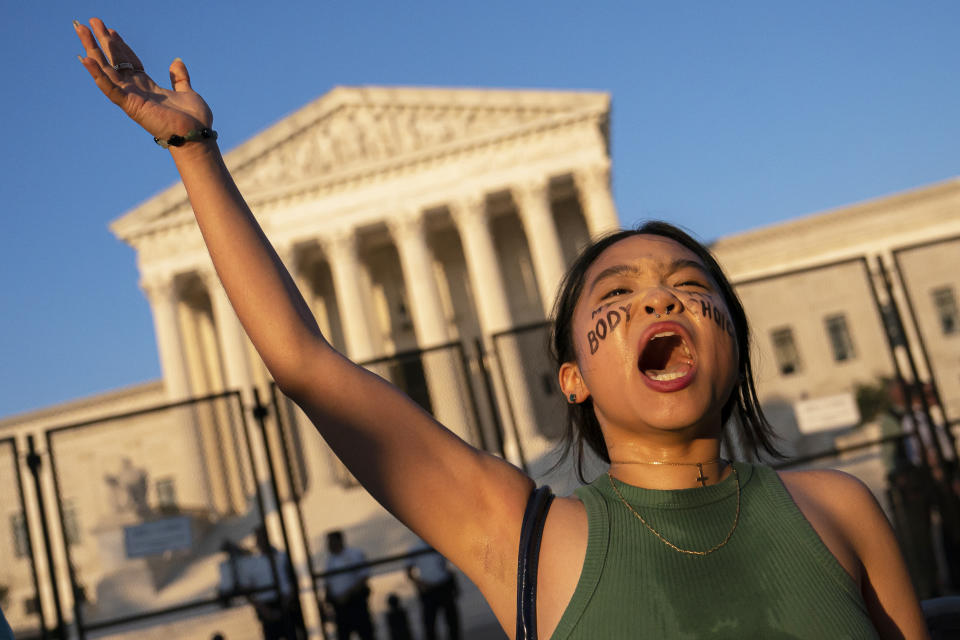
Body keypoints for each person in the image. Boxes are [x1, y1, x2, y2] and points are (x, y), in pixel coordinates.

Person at [74, 18, 928, 638]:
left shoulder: (841, 509)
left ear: (733, 337)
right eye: (619, 294)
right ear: (572, 377)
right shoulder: (525, 533)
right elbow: (304, 364)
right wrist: (195, 150)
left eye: (688, 286)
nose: (660, 302)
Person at [324, 531, 375, 640]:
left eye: (331, 542)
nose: (329, 545)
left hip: (355, 602)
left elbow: (363, 576)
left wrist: (348, 594)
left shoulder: (354, 554)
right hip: (340, 607)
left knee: (365, 633)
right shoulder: (330, 560)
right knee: (343, 635)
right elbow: (328, 582)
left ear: (339, 541)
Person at [406, 540, 461, 640]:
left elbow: (446, 565)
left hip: (443, 585)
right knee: (430, 624)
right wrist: (420, 584)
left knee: (451, 621)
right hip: (430, 589)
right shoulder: (416, 548)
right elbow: (408, 571)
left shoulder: (439, 544)